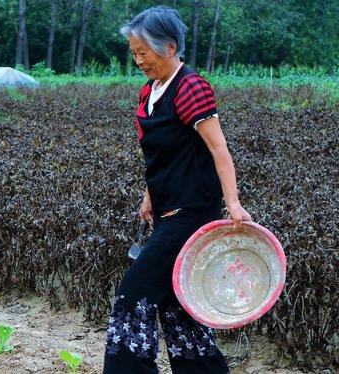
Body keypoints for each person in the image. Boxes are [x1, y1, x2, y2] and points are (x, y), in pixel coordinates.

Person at [103, 6, 252, 374]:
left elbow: (218, 148)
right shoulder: (148, 92)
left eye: (144, 52)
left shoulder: (191, 88)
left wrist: (233, 204)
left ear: (169, 47)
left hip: (192, 212)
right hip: (168, 209)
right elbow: (165, 152)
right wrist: (150, 195)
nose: (138, 60)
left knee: (134, 292)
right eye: (134, 53)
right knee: (174, 303)